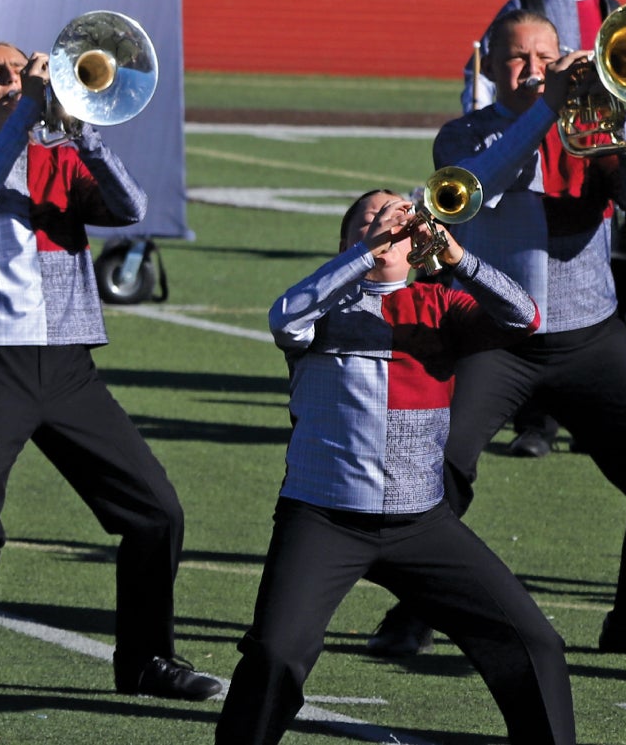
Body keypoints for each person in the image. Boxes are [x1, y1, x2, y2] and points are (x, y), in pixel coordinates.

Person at [367, 10, 626, 662]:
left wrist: (620, 124)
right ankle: (415, 608)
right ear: (490, 67)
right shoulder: (464, 134)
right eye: (516, 59)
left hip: (590, 334)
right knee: (440, 469)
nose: (532, 70)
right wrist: (544, 110)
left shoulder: (596, 123)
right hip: (494, 333)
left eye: (544, 58)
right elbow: (480, 188)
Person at [0, 42, 218, 700]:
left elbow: (131, 207)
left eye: (18, 70)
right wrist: (29, 111)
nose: (11, 78)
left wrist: (80, 127)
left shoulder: (63, 159)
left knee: (155, 513)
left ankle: (145, 659)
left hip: (67, 361)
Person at [218, 190, 569, 745]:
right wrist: (365, 254)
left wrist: (459, 261)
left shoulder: (440, 304)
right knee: (276, 654)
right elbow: (284, 319)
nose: (387, 230)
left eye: (399, 223)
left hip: (420, 524)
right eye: (371, 222)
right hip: (323, 517)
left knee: (535, 645)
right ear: (347, 241)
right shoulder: (322, 303)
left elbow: (524, 317)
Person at [454, 0, 626, 458]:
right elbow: (483, 72)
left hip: (591, 157)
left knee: (603, 278)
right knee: (526, 287)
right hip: (531, 158)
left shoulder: (615, 9)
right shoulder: (523, 2)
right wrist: (488, 132)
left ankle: (589, 411)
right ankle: (535, 421)